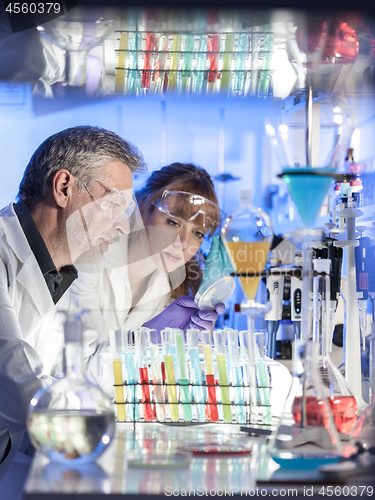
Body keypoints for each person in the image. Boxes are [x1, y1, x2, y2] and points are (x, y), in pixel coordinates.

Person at [0, 129, 222, 497]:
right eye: (114, 206)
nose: (122, 225)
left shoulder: (57, 273)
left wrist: (143, 340)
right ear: (64, 187)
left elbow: (80, 371)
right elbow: (17, 381)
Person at [70, 163, 229, 341]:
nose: (184, 243)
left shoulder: (175, 295)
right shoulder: (88, 259)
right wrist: (143, 341)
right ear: (145, 208)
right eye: (173, 223)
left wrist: (202, 325)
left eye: (198, 233)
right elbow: (82, 357)